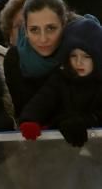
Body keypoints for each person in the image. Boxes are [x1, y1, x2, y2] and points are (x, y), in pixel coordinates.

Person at [19, 16, 102, 147]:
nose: (79, 62)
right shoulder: (60, 78)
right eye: (73, 55)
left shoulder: (99, 83)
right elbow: (43, 100)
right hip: (61, 148)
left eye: (86, 56)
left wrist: (86, 121)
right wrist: (30, 119)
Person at [3, 0, 73, 117]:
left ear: (63, 25)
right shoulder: (15, 58)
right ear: (25, 30)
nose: (43, 39)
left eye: (51, 28)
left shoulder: (77, 52)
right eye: (34, 30)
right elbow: (23, 110)